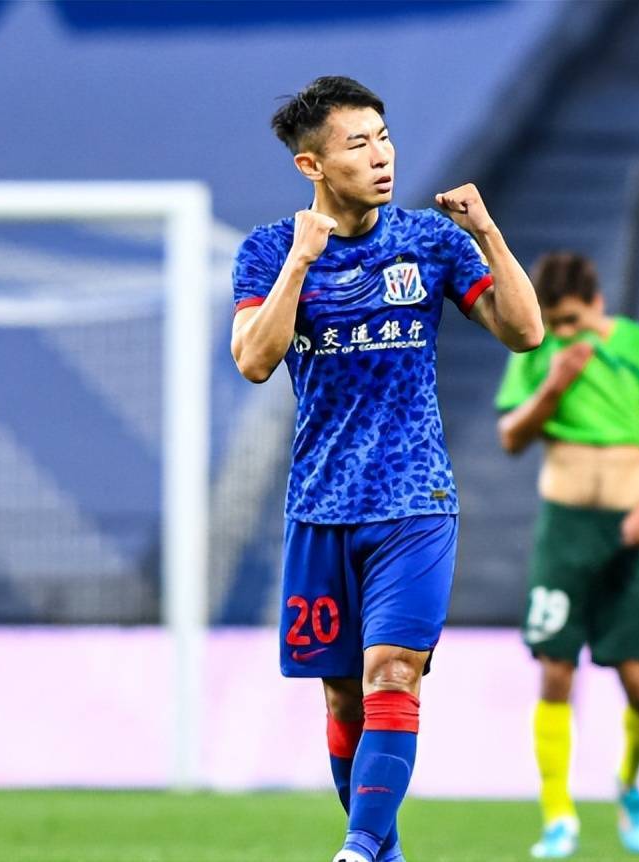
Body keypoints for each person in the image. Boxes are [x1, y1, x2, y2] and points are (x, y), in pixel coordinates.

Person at [230, 76, 543, 862]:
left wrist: (487, 232)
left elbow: (526, 333)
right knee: (344, 696)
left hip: (415, 499)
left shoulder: (428, 242)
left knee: (393, 673)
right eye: (358, 144)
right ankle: (381, 851)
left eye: (384, 137)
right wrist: (300, 264)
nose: (381, 156)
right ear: (312, 165)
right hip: (321, 505)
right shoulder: (268, 251)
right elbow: (254, 361)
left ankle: (359, 847)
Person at [494, 252, 639, 857]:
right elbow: (511, 437)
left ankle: (629, 781)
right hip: (566, 530)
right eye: (554, 321)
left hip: (629, 533)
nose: (563, 332)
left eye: (573, 320)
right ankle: (558, 812)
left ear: (598, 304)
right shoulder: (536, 352)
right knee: (555, 668)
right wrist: (554, 386)